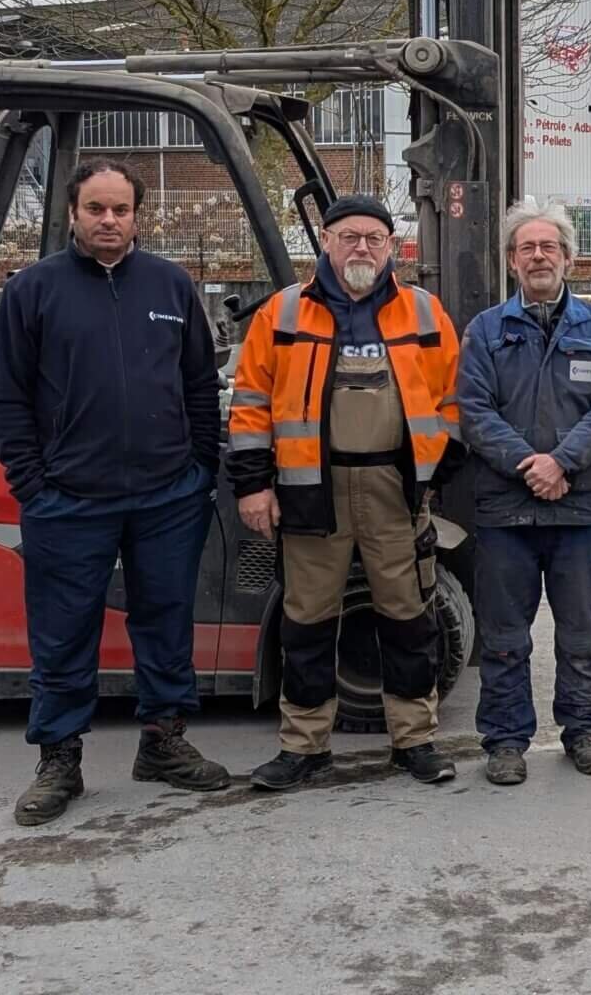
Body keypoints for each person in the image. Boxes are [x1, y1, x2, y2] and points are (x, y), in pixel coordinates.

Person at [0, 157, 232, 826]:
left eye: (121, 210)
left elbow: (198, 387)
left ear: (137, 215)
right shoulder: (33, 291)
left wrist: (199, 471)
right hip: (69, 498)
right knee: (64, 633)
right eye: (96, 208)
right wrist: (32, 486)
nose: (109, 221)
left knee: (166, 621)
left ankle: (164, 744)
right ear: (72, 213)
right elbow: (6, 398)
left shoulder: (170, 286)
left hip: (166, 497)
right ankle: (59, 759)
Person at [229, 194, 465, 791]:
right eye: (349, 236)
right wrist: (254, 486)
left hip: (393, 491)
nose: (362, 247)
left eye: (374, 238)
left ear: (392, 247)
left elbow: (455, 400)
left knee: (410, 618)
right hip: (311, 490)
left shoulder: (424, 312)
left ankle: (415, 741)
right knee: (306, 622)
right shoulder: (283, 314)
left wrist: (435, 475)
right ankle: (304, 748)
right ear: (326, 243)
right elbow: (251, 406)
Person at [456, 200, 591, 782]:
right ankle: (505, 741)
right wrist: (528, 464)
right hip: (506, 512)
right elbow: (474, 412)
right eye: (527, 248)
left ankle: (584, 731)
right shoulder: (486, 331)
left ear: (568, 259)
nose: (538, 256)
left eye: (549, 247)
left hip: (577, 510)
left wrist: (561, 463)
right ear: (511, 261)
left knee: (582, 634)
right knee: (505, 638)